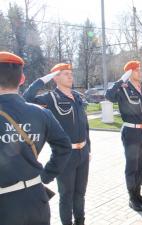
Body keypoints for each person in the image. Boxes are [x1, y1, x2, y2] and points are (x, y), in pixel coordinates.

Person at [0, 51, 72, 225]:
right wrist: (46, 176)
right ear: (22, 79)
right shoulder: (41, 113)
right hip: (36, 199)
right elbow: (64, 147)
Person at [23, 63, 91, 225]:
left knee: (80, 193)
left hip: (83, 153)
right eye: (65, 73)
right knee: (66, 195)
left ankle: (80, 222)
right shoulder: (50, 98)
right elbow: (25, 99)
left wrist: (89, 149)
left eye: (70, 73)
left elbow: (85, 125)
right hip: (66, 155)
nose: (70, 76)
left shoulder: (77, 96)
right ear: (55, 78)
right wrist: (43, 79)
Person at [105, 60, 142, 212]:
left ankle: (138, 194)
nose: (140, 72)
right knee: (132, 167)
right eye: (137, 70)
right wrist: (121, 79)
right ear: (130, 73)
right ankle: (132, 198)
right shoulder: (123, 89)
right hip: (131, 132)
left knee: (141, 166)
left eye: (140, 69)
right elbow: (109, 96)